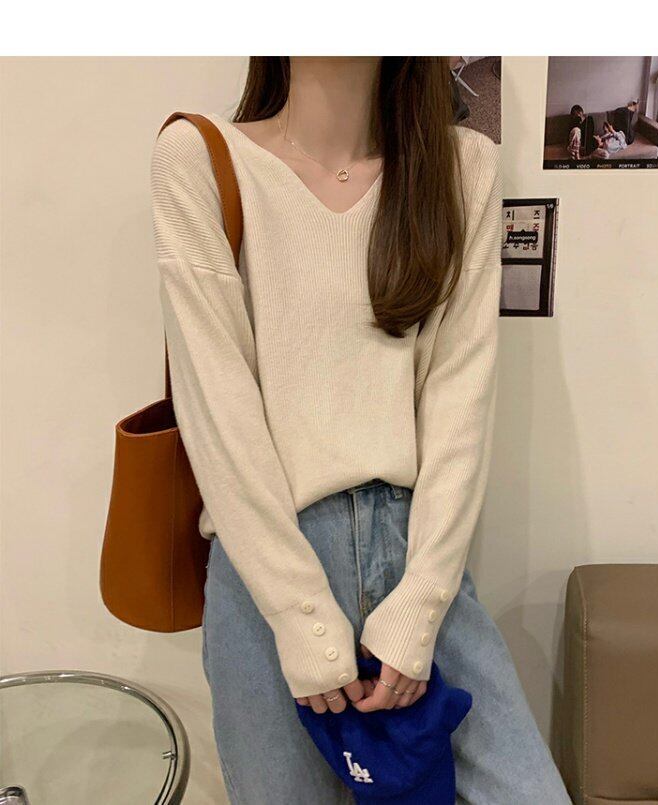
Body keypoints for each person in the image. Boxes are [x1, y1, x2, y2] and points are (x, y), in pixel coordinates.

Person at [150, 56, 572, 805]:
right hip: (265, 571)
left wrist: (420, 607)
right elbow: (217, 410)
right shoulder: (200, 158)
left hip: (419, 560)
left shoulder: (462, 168)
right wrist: (301, 616)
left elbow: (460, 400)